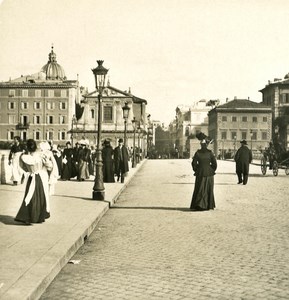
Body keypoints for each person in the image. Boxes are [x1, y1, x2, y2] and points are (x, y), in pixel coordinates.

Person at [15, 139, 52, 224]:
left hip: (31, 177)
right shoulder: (41, 156)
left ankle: (28, 217)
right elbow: (49, 166)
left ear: (27, 148)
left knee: (30, 196)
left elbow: (22, 167)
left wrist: (29, 171)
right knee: (40, 197)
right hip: (39, 178)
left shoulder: (24, 157)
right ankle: (39, 217)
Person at [190, 138, 217, 211]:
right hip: (209, 173)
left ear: (201, 145)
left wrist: (197, 169)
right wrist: (211, 169)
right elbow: (214, 164)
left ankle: (199, 204)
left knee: (200, 189)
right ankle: (209, 205)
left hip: (200, 173)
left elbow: (193, 163)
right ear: (206, 145)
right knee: (208, 189)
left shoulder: (198, 153)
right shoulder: (210, 152)